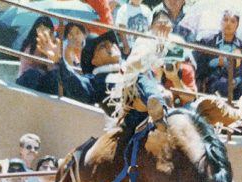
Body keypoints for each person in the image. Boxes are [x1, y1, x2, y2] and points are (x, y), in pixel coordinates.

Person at [36, 28, 169, 130]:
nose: (111, 46)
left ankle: (158, 108)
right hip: (127, 121)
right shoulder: (96, 80)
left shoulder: (135, 69)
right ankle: (153, 106)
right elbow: (79, 89)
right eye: (103, 46)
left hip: (149, 106)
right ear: (93, 60)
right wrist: (60, 62)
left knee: (143, 79)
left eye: (112, 43)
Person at [194, 10, 242, 99]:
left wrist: (236, 81)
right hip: (213, 81)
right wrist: (214, 63)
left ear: (237, 25)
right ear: (221, 22)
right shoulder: (208, 42)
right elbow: (199, 66)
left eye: (233, 21)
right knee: (222, 84)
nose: (228, 24)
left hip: (235, 82)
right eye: (225, 20)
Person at [15, 17, 59, 95]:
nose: (42, 31)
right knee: (34, 73)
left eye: (45, 28)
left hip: (41, 81)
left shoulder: (53, 45)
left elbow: (51, 68)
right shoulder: (31, 43)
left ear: (51, 30)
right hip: (26, 79)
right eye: (40, 28)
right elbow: (31, 66)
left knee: (54, 76)